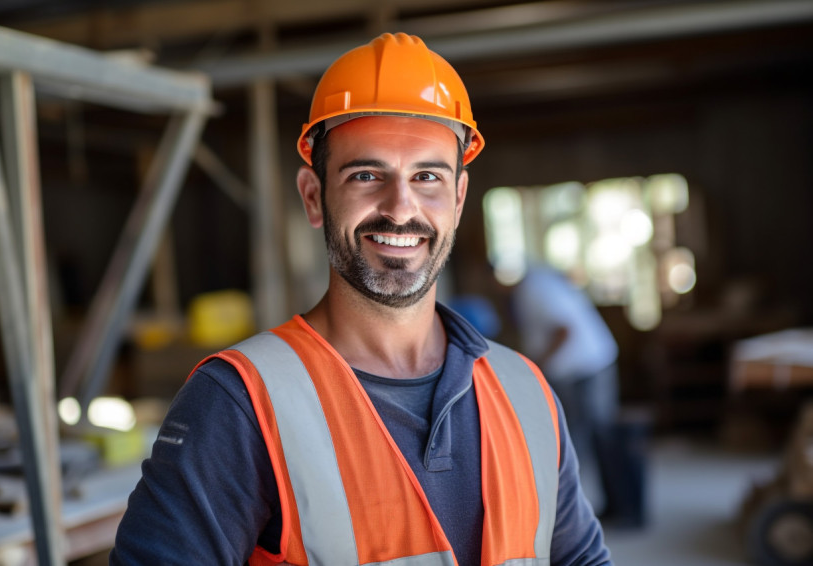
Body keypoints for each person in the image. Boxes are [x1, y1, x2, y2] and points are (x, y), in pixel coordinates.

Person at [111, 33, 612, 565]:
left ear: (459, 199)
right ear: (313, 196)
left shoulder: (527, 394)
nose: (400, 209)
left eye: (427, 177)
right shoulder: (240, 403)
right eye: (367, 175)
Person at [512, 263, 640, 528]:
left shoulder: (533, 289)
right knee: (589, 439)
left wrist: (535, 366)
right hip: (582, 369)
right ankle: (612, 507)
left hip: (586, 369)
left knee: (596, 439)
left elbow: (564, 330)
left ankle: (620, 510)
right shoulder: (537, 284)